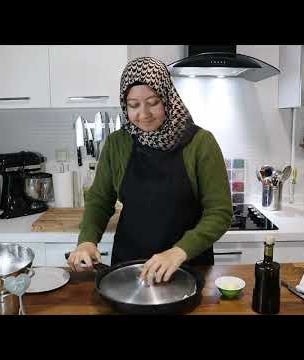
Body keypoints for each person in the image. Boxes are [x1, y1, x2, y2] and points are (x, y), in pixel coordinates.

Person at [67, 57, 233, 285]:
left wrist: (179, 251)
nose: (143, 114)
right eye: (133, 105)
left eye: (153, 102)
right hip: (129, 266)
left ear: (167, 98)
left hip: (187, 265)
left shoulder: (201, 143)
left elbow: (220, 213)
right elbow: (100, 200)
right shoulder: (117, 143)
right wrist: (87, 241)